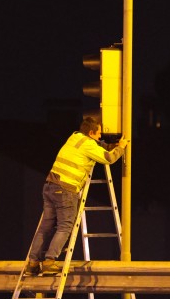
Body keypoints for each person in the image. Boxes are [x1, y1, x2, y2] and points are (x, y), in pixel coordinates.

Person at [26, 117, 129, 275]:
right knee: (65, 226)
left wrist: (110, 145)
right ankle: (49, 261)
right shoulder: (88, 144)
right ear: (91, 132)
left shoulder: (74, 137)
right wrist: (120, 148)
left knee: (45, 227)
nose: (100, 136)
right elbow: (109, 158)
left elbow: (97, 146)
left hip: (49, 186)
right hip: (66, 189)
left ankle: (32, 263)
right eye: (99, 133)